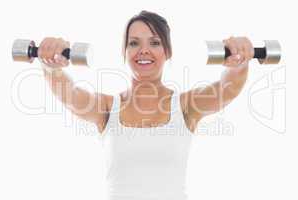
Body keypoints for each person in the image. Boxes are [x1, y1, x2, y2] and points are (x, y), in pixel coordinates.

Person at [38, 10, 254, 200]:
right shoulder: (106, 107)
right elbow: (69, 94)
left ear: (167, 52)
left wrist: (239, 62)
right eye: (134, 43)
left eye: (154, 42)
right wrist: (51, 66)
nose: (143, 50)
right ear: (124, 52)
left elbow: (229, 87)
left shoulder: (187, 106)